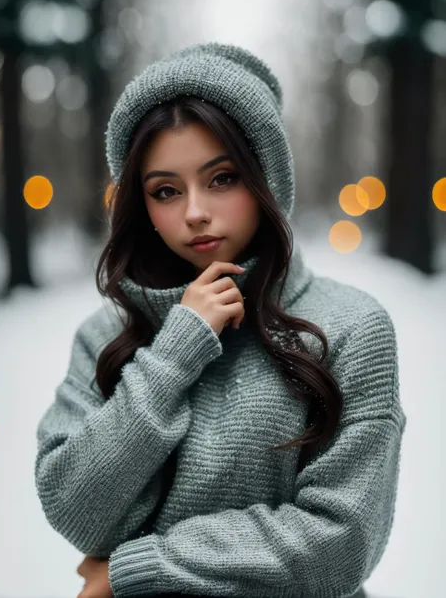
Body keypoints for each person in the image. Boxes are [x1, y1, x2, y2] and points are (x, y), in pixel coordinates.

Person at [34, 42, 407, 598]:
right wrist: (174, 353)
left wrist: (139, 567)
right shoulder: (107, 335)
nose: (193, 212)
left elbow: (342, 540)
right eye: (165, 191)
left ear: (267, 180)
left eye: (222, 179)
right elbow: (76, 510)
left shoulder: (351, 328)